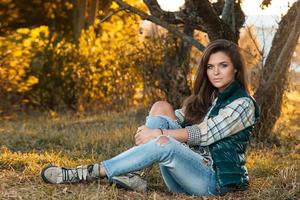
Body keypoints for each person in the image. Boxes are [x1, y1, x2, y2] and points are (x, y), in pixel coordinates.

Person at [41, 39, 260, 196]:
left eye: (223, 65)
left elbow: (206, 133)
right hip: (187, 174)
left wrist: (158, 134)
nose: (216, 72)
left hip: (214, 182)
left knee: (163, 141)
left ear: (236, 70)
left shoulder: (243, 104)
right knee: (161, 106)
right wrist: (151, 131)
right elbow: (176, 118)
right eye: (211, 67)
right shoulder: (211, 97)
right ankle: (135, 175)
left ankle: (88, 172)